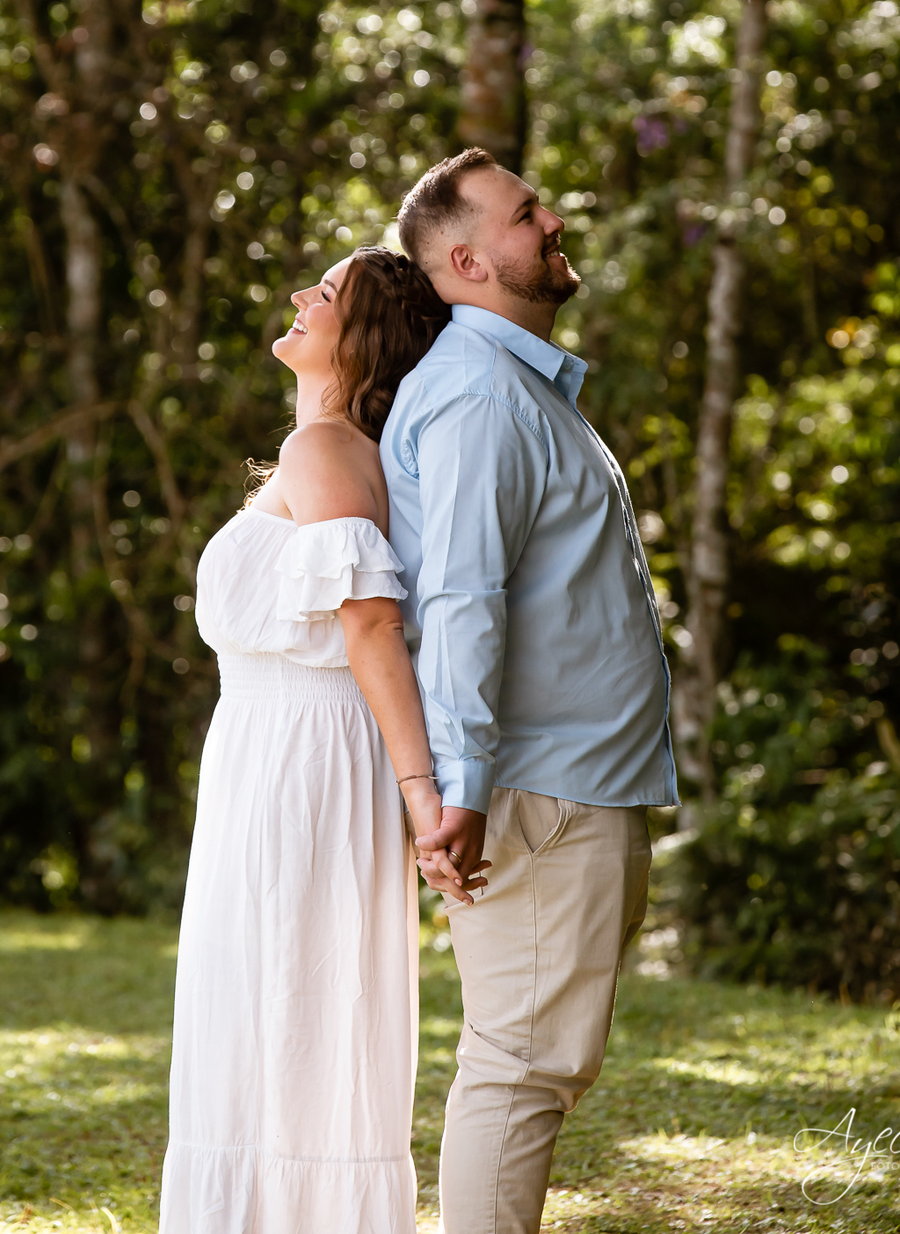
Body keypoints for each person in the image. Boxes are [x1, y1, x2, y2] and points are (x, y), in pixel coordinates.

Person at [381, 148, 680, 1234]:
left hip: (573, 787)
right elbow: (463, 600)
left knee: (536, 1065)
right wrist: (458, 790)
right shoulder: (477, 396)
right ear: (467, 259)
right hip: (537, 796)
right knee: (520, 1070)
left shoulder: (515, 387)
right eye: (525, 214)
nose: (553, 220)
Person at [160, 246, 475, 1234]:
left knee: (286, 1020)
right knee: (275, 1020)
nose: (302, 296)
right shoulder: (324, 452)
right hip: (274, 754)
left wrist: (423, 796)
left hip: (301, 764)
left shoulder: (326, 451)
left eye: (327, 293)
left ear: (366, 337)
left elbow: (371, 623)